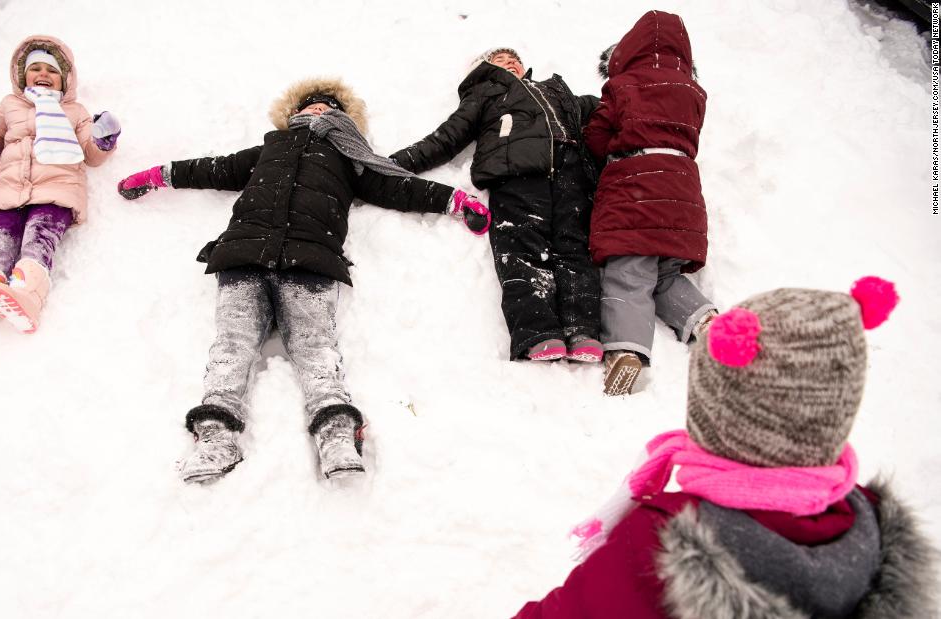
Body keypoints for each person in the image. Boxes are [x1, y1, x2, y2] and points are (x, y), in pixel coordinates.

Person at [116, 77, 490, 483]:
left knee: (317, 351)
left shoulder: (351, 160)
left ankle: (337, 437)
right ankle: (215, 438)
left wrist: (455, 201)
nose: (318, 110)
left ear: (344, 119)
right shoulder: (270, 148)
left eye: (328, 107)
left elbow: (397, 187)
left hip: (310, 262)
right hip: (244, 254)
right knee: (231, 347)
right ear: (293, 114)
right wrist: (159, 175)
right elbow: (217, 168)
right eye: (310, 106)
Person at [512, 277, 939, 618]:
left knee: (628, 277)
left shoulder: (664, 541)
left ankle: (625, 342)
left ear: (715, 410)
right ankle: (694, 318)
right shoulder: (872, 529)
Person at [390, 48, 603, 364]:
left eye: (515, 60)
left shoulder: (553, 89)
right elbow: (446, 138)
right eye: (501, 61)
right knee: (520, 250)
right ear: (481, 69)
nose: (511, 63)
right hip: (516, 173)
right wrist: (394, 164)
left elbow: (603, 111)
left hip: (570, 174)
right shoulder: (486, 93)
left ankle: (582, 329)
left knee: (574, 250)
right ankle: (538, 331)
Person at [582, 11, 717, 396]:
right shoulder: (693, 91)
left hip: (636, 184)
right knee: (665, 275)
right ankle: (704, 321)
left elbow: (598, 135)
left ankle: (626, 353)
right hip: (684, 192)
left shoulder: (624, 84)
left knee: (629, 272)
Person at [0, 35, 120, 338]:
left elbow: (90, 154)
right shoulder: (9, 105)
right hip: (10, 188)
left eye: (52, 70)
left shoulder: (75, 112)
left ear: (65, 79)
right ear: (22, 75)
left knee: (38, 239)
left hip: (57, 188)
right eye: (36, 68)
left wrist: (101, 140)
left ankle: (26, 294)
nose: (43, 74)